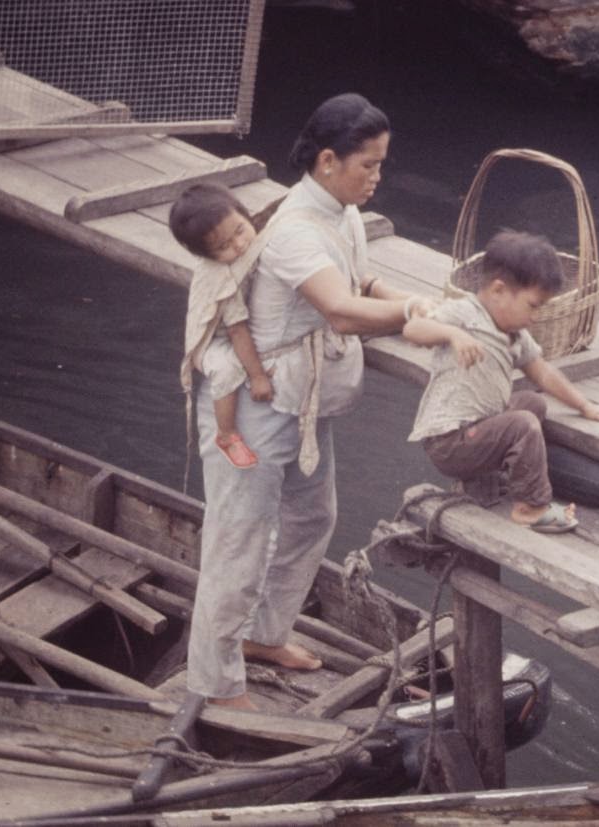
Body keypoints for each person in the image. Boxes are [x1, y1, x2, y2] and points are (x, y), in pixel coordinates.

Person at [187, 93, 432, 709]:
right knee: (236, 540)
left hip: (301, 404)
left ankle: (263, 636)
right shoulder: (295, 227)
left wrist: (428, 305)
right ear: (328, 160)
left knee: (311, 517)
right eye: (368, 165)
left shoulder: (343, 212)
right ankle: (215, 685)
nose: (377, 176)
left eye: (381, 163)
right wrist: (411, 314)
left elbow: (360, 283)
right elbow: (344, 311)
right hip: (252, 408)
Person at [405, 229, 599, 533]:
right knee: (522, 423)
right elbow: (413, 329)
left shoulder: (516, 335)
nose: (535, 316)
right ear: (498, 291)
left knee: (532, 403)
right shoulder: (464, 313)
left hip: (480, 426)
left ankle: (512, 477)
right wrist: (452, 334)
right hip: (450, 441)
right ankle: (531, 507)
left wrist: (586, 406)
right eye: (533, 305)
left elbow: (543, 373)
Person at [174, 184, 273, 470]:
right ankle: (227, 434)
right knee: (228, 368)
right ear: (206, 255)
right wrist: (258, 377)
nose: (239, 245)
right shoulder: (222, 279)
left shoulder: (254, 238)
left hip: (233, 329)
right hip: (211, 340)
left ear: (245, 215)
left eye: (240, 231)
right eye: (224, 247)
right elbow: (237, 331)